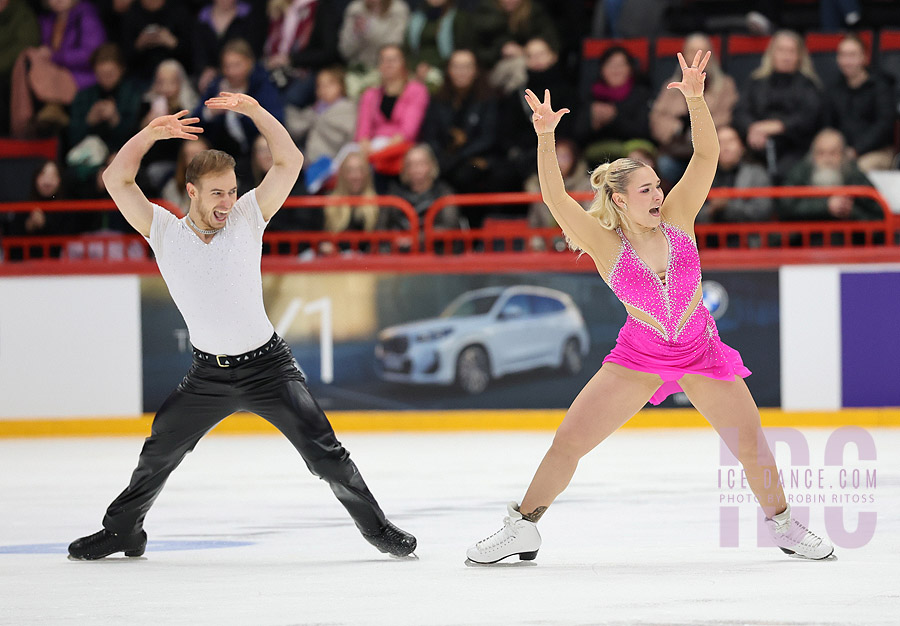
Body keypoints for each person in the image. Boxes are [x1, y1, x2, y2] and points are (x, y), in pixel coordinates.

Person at [466, 52, 835, 564]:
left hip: (701, 351)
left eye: (658, 185)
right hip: (639, 356)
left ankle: (785, 525)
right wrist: (546, 137)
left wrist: (695, 99)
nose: (659, 193)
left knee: (752, 445)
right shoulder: (605, 244)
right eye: (647, 190)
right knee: (568, 441)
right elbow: (555, 198)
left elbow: (705, 158)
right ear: (620, 201)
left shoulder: (679, 218)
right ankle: (522, 527)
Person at [68, 93, 416, 560]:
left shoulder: (249, 218)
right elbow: (117, 178)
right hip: (207, 375)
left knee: (325, 453)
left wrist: (255, 112)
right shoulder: (164, 232)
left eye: (232, 191)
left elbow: (289, 160)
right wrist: (150, 134)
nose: (228, 202)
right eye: (217, 193)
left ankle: (377, 530)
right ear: (191, 192)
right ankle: (123, 531)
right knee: (158, 452)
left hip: (268, 367)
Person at [732, 30, 824, 182]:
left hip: (796, 149)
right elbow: (740, 112)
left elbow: (810, 118)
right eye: (781, 50)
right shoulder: (756, 82)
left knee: (786, 172)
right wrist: (752, 128)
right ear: (771, 53)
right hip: (756, 147)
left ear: (799, 56)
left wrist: (780, 126)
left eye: (791, 51)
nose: (786, 56)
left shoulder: (809, 85)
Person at [650, 33, 738, 186]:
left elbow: (728, 115)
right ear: (683, 55)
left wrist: (699, 127)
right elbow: (657, 117)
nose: (698, 56)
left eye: (704, 51)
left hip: (712, 149)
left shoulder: (725, 85)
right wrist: (677, 128)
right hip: (677, 150)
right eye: (692, 51)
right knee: (665, 165)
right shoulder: (671, 86)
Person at [777, 127, 882, 223]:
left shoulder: (853, 174)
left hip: (849, 240)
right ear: (812, 154)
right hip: (807, 240)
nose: (827, 159)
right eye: (821, 153)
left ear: (843, 154)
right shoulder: (801, 172)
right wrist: (825, 205)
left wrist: (851, 212)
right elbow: (785, 208)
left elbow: (878, 215)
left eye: (833, 153)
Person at [825, 34, 896, 173]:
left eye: (852, 55)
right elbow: (828, 125)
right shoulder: (833, 89)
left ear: (864, 57)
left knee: (856, 170)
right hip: (840, 152)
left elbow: (884, 126)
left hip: (877, 151)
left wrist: (856, 150)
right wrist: (835, 150)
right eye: (843, 55)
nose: (847, 61)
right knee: (814, 168)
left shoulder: (881, 86)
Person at [578, 45, 655, 166]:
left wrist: (614, 117)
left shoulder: (641, 93)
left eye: (621, 65)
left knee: (637, 157)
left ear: (630, 68)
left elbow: (644, 130)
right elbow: (577, 134)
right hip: (597, 149)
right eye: (610, 65)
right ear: (601, 69)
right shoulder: (591, 94)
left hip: (635, 148)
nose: (616, 69)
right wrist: (592, 119)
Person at [699, 125, 772, 224]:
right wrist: (711, 209)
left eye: (731, 141)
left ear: (742, 146)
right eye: (720, 142)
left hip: (746, 237)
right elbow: (687, 214)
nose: (725, 147)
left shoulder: (756, 174)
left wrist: (727, 206)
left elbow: (763, 210)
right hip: (709, 238)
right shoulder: (701, 177)